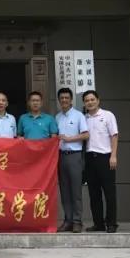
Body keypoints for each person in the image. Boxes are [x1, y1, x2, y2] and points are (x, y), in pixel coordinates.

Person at [82, 89, 119, 233]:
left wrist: (113, 156)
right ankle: (98, 223)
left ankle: (111, 223)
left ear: (98, 100)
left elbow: (114, 136)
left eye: (92, 99)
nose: (90, 102)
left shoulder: (108, 115)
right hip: (90, 158)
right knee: (94, 193)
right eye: (87, 100)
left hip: (105, 157)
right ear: (84, 103)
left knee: (109, 192)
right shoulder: (84, 118)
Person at [55, 87, 89, 233]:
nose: (64, 100)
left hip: (75, 156)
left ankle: (77, 221)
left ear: (71, 100)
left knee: (75, 191)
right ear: (59, 100)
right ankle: (67, 220)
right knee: (64, 190)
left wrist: (70, 139)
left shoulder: (78, 116)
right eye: (61, 98)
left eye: (66, 98)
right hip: (61, 156)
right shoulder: (57, 117)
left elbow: (86, 135)